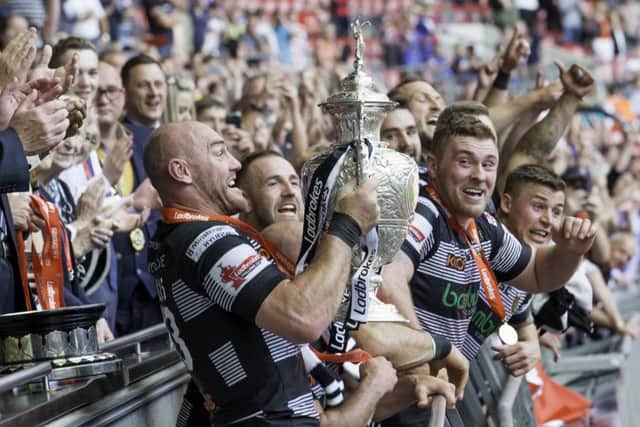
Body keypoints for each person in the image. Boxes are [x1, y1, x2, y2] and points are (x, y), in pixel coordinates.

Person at [144, 121, 386, 425]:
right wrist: (346, 226)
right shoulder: (205, 241)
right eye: (219, 154)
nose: (234, 164)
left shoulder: (178, 238)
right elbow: (304, 317)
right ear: (182, 172)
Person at [380, 102, 597, 426]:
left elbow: (538, 273)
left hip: (433, 397)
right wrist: (428, 354)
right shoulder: (425, 211)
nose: (479, 175)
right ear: (434, 166)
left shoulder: (484, 226)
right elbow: (388, 278)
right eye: (465, 162)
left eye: (488, 164)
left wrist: (569, 251)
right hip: (401, 395)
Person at [113, 53, 167, 335]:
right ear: (125, 91)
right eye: (144, 85)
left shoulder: (175, 136)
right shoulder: (114, 138)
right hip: (128, 288)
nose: (153, 92)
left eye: (158, 84)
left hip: (165, 284)